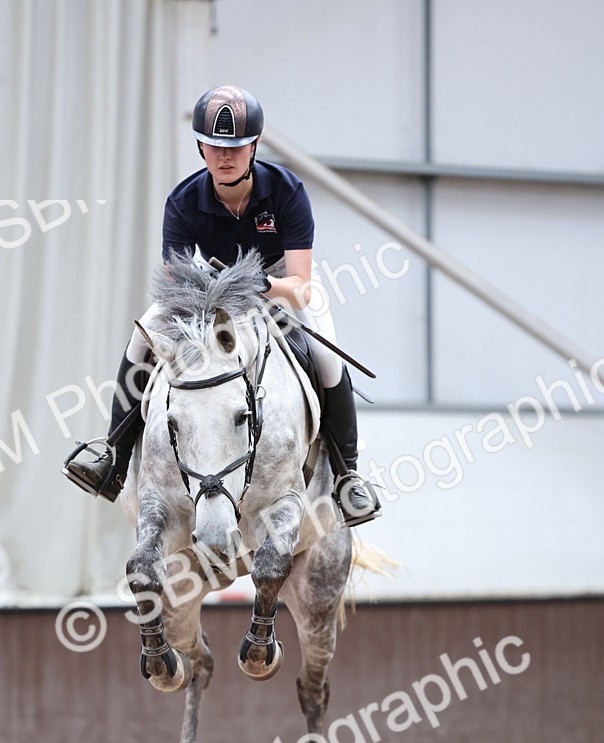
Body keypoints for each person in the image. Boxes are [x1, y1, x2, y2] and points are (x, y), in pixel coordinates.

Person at [65, 84, 380, 526]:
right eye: (214, 146)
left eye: (234, 146)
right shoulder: (182, 201)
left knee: (326, 351)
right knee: (144, 334)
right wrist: (215, 287)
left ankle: (349, 475)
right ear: (200, 147)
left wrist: (258, 283)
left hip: (275, 288)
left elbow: (301, 285)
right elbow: (173, 282)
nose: (224, 156)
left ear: (253, 146)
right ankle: (113, 457)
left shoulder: (287, 192)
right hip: (207, 292)